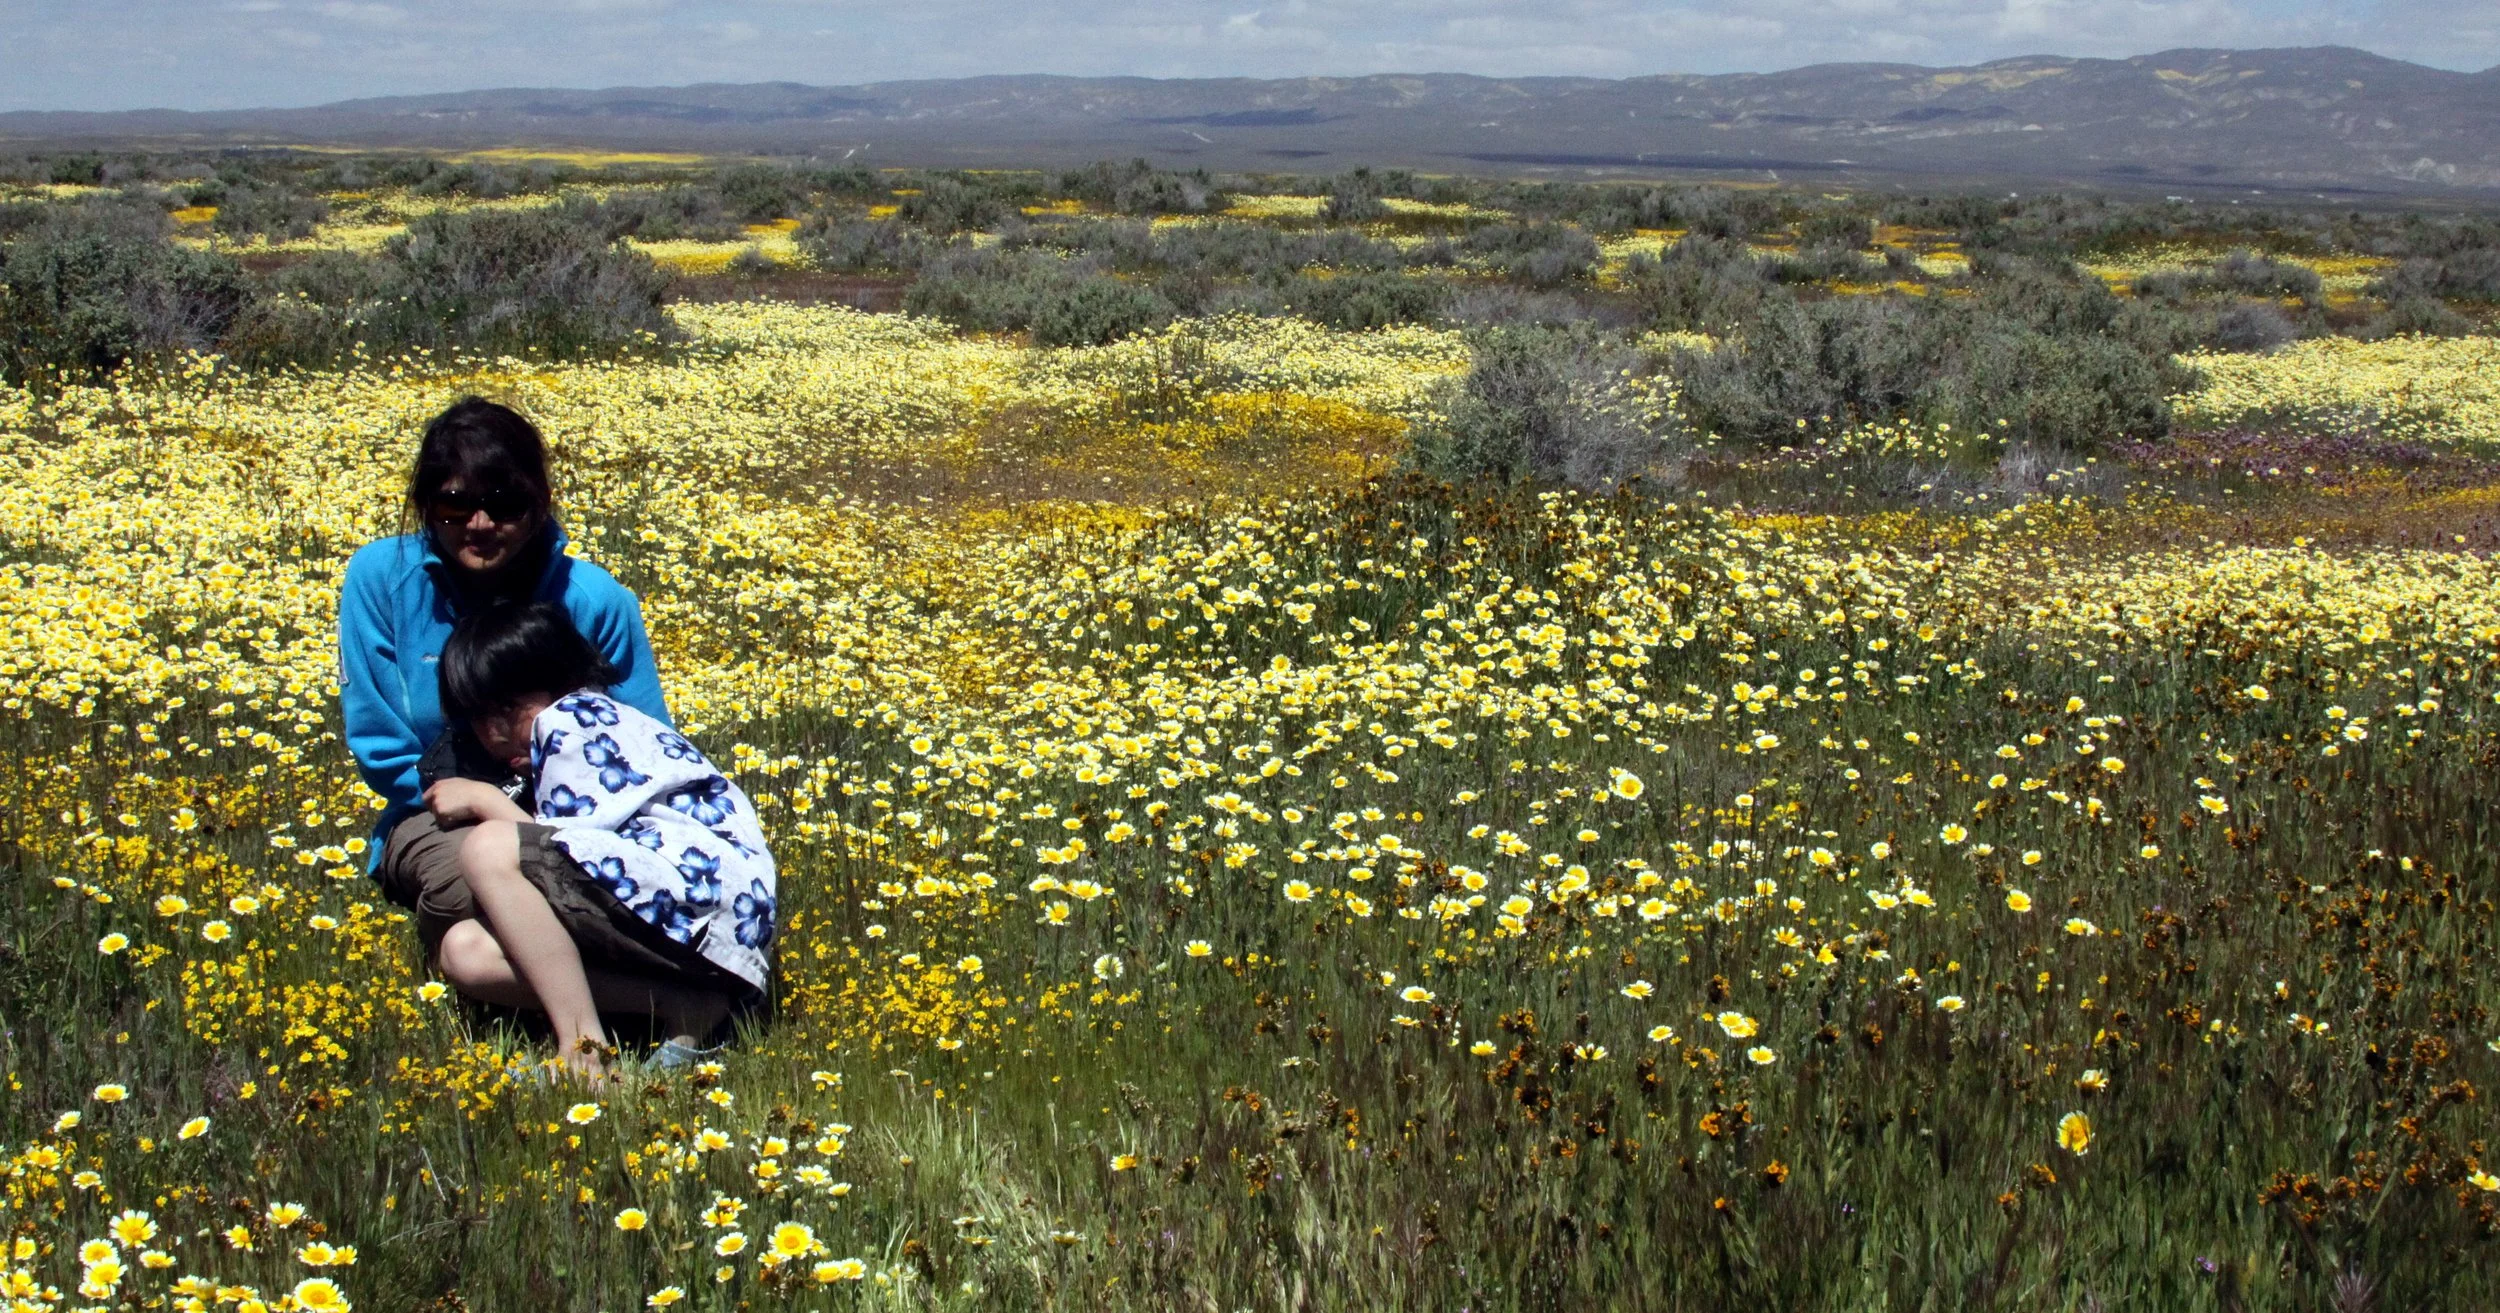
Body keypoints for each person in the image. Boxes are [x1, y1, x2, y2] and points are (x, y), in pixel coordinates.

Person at [425, 601, 772, 1080]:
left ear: (562, 681)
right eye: (478, 717)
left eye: (507, 708)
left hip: (702, 909)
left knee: (488, 848)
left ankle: (584, 1054)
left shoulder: (572, 718)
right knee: (464, 951)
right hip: (703, 925)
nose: (494, 733)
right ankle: (688, 1004)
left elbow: (565, 845)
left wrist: (485, 799)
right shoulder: (604, 719)